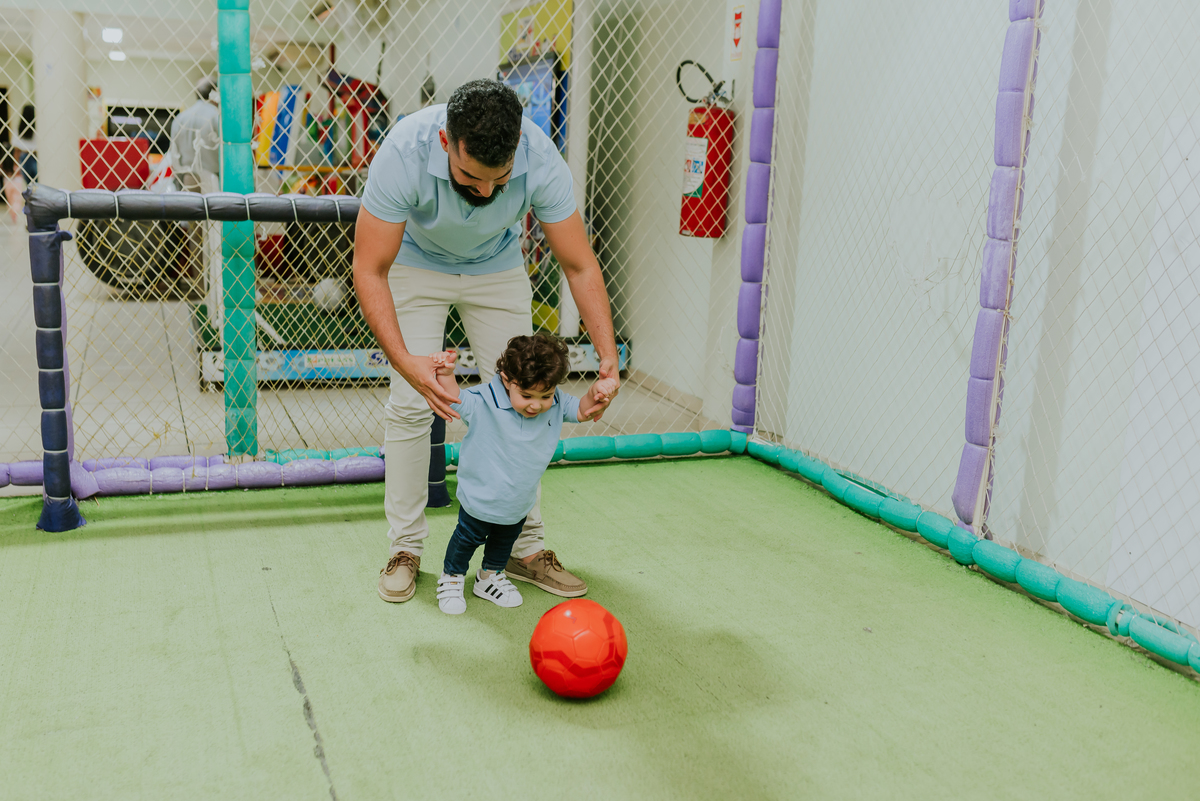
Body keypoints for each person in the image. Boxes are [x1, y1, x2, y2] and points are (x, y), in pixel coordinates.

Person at [353, 79, 621, 606]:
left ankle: (524, 548)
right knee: (411, 406)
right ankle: (405, 550)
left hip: (496, 268)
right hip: (414, 265)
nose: (483, 193)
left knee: (529, 396)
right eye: (470, 177)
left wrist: (609, 362)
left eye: (497, 182)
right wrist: (407, 361)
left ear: (517, 147)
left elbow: (578, 263)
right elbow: (370, 267)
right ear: (445, 143)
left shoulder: (540, 159)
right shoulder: (403, 152)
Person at [429, 334, 617, 614]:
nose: (536, 405)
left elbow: (581, 409)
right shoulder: (484, 400)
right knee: (467, 538)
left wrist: (597, 393)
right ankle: (452, 577)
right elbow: (454, 401)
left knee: (504, 542)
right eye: (526, 395)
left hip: (518, 501)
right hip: (480, 496)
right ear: (506, 380)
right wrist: (445, 373)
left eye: (545, 395)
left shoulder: (555, 402)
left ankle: (489, 577)